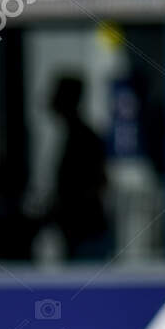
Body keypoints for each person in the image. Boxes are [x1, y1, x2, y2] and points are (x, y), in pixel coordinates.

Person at [47, 75, 112, 262]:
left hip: (87, 231)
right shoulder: (69, 136)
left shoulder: (84, 138)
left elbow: (97, 183)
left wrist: (68, 206)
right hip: (74, 231)